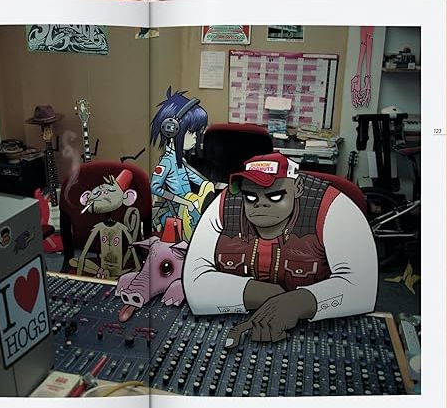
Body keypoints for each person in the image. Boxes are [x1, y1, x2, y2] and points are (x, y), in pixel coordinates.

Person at [182, 152, 378, 348]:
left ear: (298, 187)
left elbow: (363, 288)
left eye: (274, 195)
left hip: (321, 331)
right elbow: (194, 283)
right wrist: (268, 295)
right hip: (242, 321)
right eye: (250, 196)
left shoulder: (334, 207)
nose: (260, 203)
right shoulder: (224, 205)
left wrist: (299, 303)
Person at [150, 87, 208, 228]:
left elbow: (193, 176)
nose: (196, 138)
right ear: (172, 130)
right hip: (173, 217)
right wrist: (185, 202)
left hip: (185, 212)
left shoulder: (180, 161)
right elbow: (155, 187)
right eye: (192, 133)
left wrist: (207, 185)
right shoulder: (166, 162)